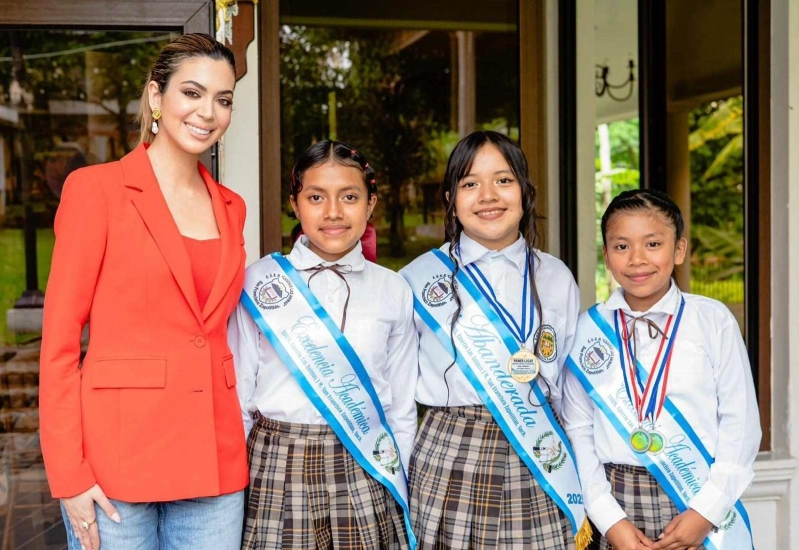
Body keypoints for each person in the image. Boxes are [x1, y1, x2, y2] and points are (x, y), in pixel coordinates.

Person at [40, 33, 248, 550]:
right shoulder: (96, 191)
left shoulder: (232, 206)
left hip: (212, 459)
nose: (208, 112)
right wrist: (69, 475)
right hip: (116, 464)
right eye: (192, 93)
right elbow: (60, 346)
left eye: (223, 100)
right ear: (156, 97)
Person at [400, 130, 591, 550]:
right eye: (470, 184)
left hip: (542, 449)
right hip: (450, 449)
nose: (488, 195)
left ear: (524, 191)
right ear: (450, 197)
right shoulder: (416, 279)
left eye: (503, 180)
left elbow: (571, 389)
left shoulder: (555, 276)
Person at [229, 140, 418, 549]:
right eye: (316, 197)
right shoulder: (260, 282)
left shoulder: (393, 289)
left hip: (365, 461)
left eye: (349, 197)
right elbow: (239, 397)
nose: (333, 212)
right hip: (277, 461)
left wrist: (396, 477)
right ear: (294, 205)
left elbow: (401, 406)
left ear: (370, 205)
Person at [561, 189, 760, 550]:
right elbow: (579, 430)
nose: (637, 259)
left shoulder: (712, 321)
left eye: (653, 244)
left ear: (679, 249)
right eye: (621, 247)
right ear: (606, 255)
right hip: (614, 500)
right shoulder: (587, 332)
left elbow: (741, 425)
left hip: (697, 501)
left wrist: (706, 512)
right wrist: (610, 520)